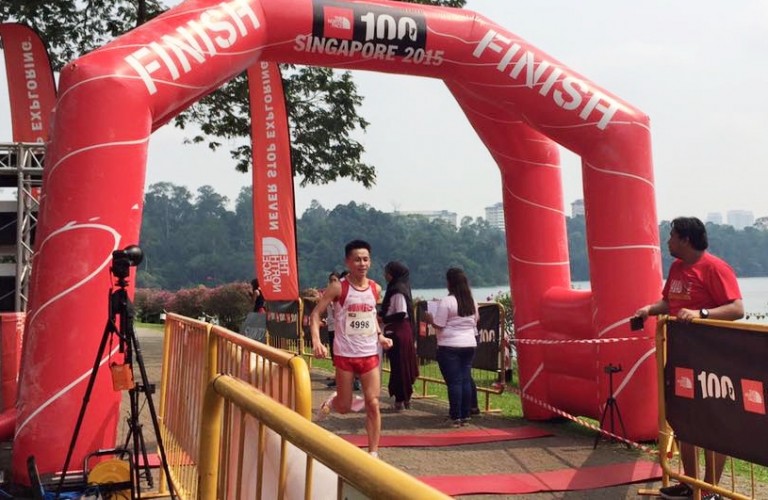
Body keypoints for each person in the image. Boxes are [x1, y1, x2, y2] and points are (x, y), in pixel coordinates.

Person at [634, 217, 743, 500]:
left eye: (671, 235)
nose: (667, 241)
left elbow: (737, 308)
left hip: (711, 359)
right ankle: (690, 483)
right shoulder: (677, 268)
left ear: (685, 239)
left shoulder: (715, 268)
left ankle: (709, 490)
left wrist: (701, 314)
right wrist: (650, 309)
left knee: (712, 423)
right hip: (682, 357)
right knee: (683, 420)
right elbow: (670, 302)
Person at [310, 240, 393, 458]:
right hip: (345, 355)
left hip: (369, 354)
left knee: (373, 402)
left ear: (370, 261)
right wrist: (317, 341)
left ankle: (373, 453)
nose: (362, 264)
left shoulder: (375, 288)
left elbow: (371, 316)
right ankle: (334, 400)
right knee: (344, 407)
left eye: (365, 259)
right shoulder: (339, 287)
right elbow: (315, 314)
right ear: (348, 261)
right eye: (357, 260)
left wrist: (380, 336)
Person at [424, 267, 479, 427]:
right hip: (469, 344)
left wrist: (430, 319)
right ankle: (465, 414)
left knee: (454, 382)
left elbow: (439, 324)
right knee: (465, 380)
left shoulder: (447, 301)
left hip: (449, 345)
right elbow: (476, 320)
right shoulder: (472, 301)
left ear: (449, 283)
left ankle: (455, 416)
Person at [379, 261, 419, 411]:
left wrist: (383, 319)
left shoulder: (397, 290)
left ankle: (401, 399)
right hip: (401, 331)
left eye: (387, 272)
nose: (385, 275)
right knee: (401, 365)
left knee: (400, 366)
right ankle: (404, 398)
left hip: (399, 332)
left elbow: (401, 312)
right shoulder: (400, 287)